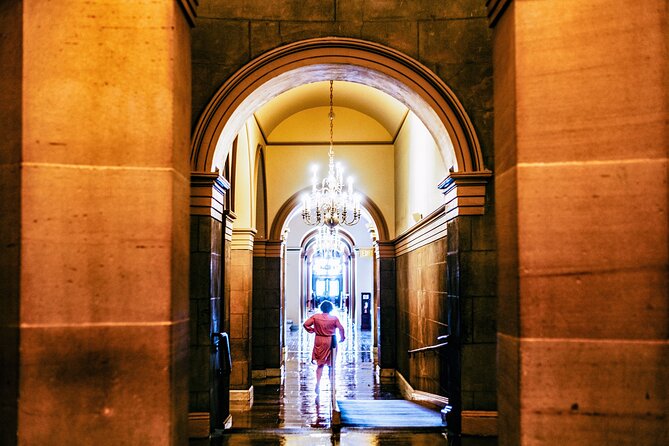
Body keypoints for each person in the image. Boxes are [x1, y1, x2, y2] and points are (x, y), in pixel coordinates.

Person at [303, 300, 345, 393]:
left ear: (321, 308)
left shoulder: (316, 317)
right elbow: (341, 328)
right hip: (331, 340)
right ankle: (332, 386)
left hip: (319, 340)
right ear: (331, 308)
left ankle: (318, 384)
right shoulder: (334, 318)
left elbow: (305, 324)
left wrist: (313, 330)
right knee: (331, 365)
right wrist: (342, 337)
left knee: (320, 364)